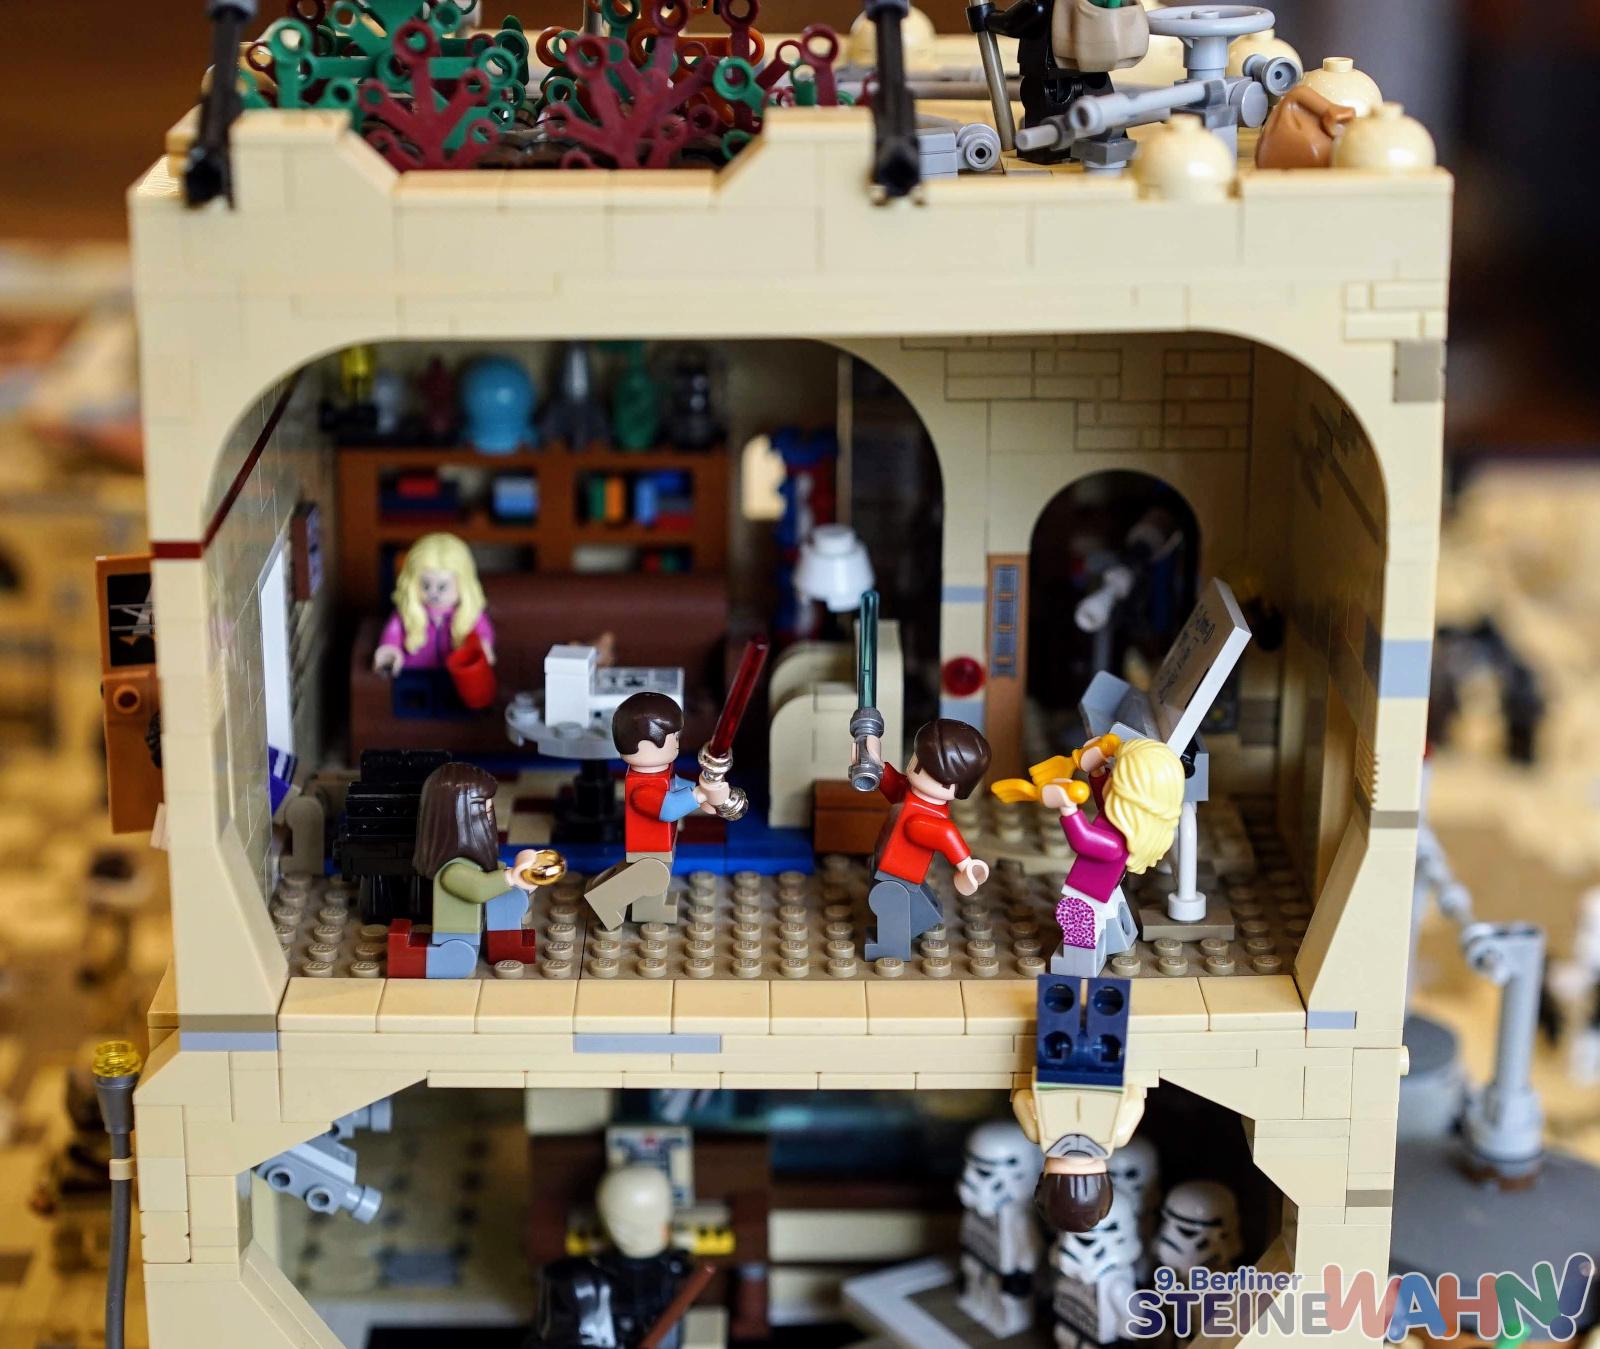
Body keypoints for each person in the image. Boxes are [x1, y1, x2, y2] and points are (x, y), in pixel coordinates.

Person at [583, 693, 729, 930]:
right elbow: (668, 808)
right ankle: (605, 900)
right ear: (644, 743)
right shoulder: (641, 787)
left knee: (660, 875)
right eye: (673, 737)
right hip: (647, 845)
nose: (677, 743)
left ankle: (651, 910)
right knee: (654, 875)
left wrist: (703, 795)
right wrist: (700, 795)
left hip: (663, 842)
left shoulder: (663, 771)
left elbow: (677, 786)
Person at [1041, 736, 1183, 976]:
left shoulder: (1116, 843)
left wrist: (1067, 807)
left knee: (1077, 919)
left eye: (1116, 779)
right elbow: (1106, 804)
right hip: (1108, 891)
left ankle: (1078, 965)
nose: (1111, 780)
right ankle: (1118, 941)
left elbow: (1083, 840)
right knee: (1110, 914)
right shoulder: (1126, 825)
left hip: (1087, 895)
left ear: (1133, 795)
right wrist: (1097, 771)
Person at [859, 719, 992, 962]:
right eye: (917, 761)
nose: (916, 769)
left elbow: (947, 835)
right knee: (909, 904)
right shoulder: (911, 794)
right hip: (885, 863)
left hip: (898, 873)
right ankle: (919, 921)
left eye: (926, 768)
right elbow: (894, 787)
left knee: (890, 902)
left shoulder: (927, 817)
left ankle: (890, 947)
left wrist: (966, 865)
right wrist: (877, 765)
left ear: (956, 788)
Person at [400, 762, 550, 977]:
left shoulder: (468, 862)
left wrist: (521, 879)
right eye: (484, 811)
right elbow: (479, 888)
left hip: (475, 931)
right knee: (462, 961)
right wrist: (511, 876)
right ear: (457, 818)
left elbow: (489, 877)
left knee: (510, 897)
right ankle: (423, 960)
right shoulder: (452, 872)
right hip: (457, 936)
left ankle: (502, 943)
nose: (489, 818)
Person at [372, 531, 494, 677]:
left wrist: (482, 649)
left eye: (442, 587)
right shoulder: (407, 612)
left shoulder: (469, 614)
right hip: (413, 673)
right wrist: (389, 652)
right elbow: (392, 635)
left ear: (462, 583)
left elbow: (483, 635)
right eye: (425, 585)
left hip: (454, 676)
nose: (433, 593)